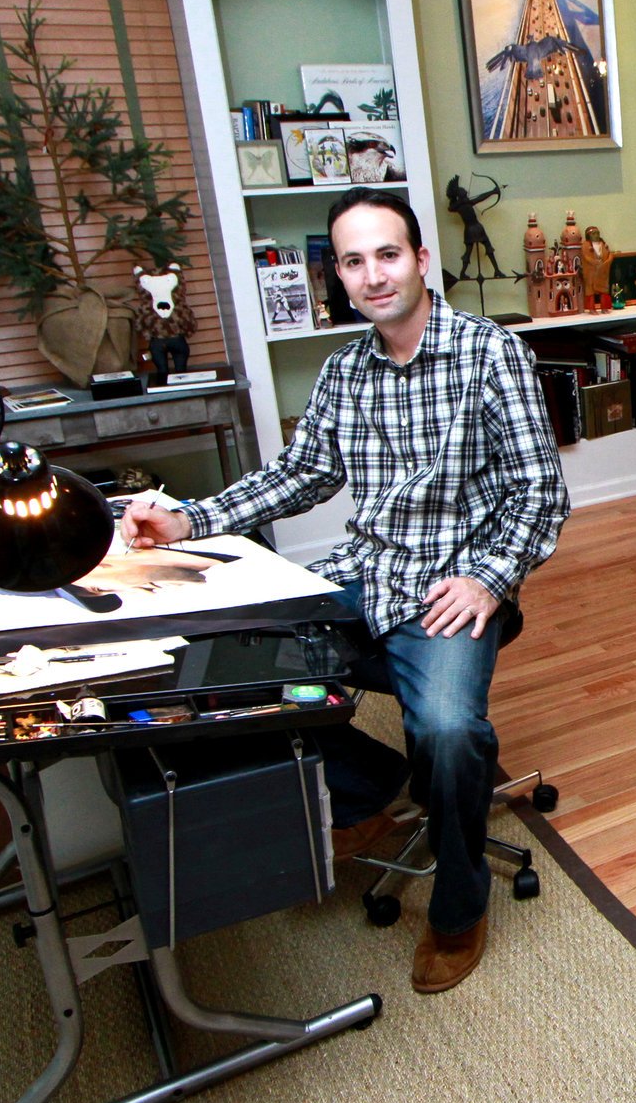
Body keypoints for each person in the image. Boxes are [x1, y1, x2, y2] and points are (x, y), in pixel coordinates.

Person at [120, 188, 569, 995]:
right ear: (342, 277)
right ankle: (372, 786)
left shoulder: (488, 354)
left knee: (450, 728)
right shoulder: (344, 371)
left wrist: (489, 577)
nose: (372, 275)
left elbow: (541, 493)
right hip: (363, 572)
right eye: (354, 261)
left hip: (449, 587)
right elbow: (301, 474)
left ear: (421, 260)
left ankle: (459, 912)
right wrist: (190, 519)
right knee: (221, 670)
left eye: (387, 254)